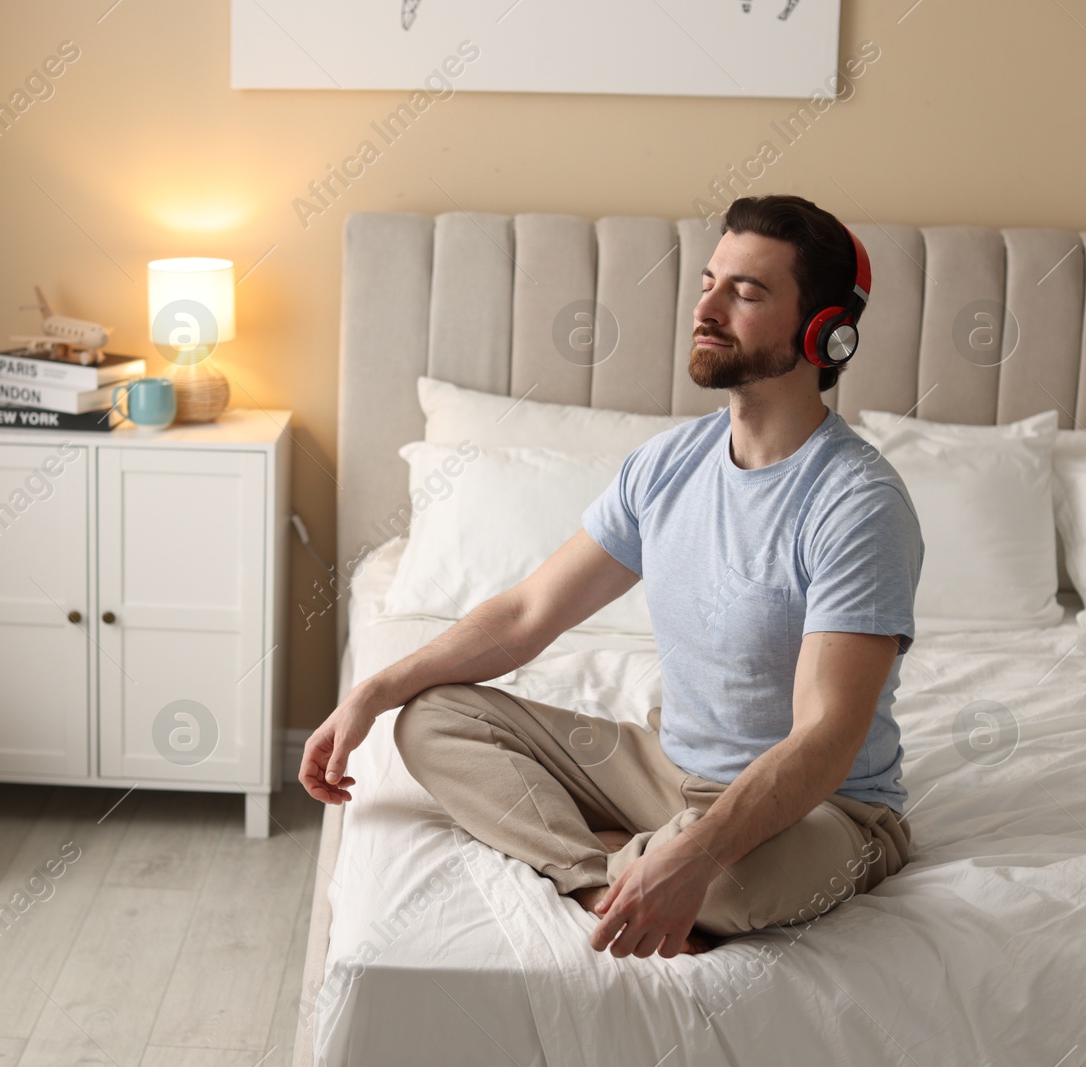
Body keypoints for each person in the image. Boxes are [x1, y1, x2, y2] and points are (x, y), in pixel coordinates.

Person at [299, 194, 923, 960]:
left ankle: (653, 862)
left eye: (746, 291)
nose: (708, 306)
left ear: (825, 331)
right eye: (708, 282)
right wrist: (372, 689)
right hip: (668, 770)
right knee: (429, 717)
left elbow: (825, 738)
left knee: (724, 883)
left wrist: (696, 855)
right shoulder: (669, 465)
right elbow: (529, 612)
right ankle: (603, 878)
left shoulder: (856, 503)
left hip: (826, 811)